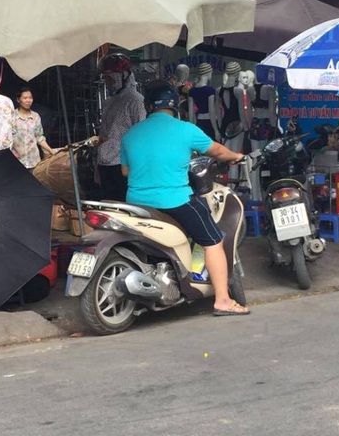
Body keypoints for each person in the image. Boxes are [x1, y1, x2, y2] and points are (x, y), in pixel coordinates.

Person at [120, 80, 250, 316]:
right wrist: (236, 155)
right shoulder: (186, 129)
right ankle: (222, 300)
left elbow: (125, 172)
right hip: (175, 200)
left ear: (149, 106)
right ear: (175, 105)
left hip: (137, 202)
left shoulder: (131, 134)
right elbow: (218, 151)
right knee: (213, 241)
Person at [97, 53, 146, 201]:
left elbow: (141, 133)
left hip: (122, 164)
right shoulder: (108, 102)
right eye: (105, 78)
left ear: (122, 75)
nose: (107, 82)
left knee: (124, 205)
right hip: (104, 161)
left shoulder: (135, 101)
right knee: (108, 204)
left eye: (109, 77)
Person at [11, 87, 55, 170]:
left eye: (30, 98)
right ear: (18, 100)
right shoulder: (11, 117)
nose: (28, 100)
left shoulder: (36, 116)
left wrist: (51, 151)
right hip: (16, 162)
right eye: (25, 98)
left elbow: (39, 137)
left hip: (34, 162)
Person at [188, 62, 219, 140]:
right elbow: (211, 112)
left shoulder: (192, 91)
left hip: (199, 122)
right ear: (208, 73)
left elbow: (191, 113)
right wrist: (216, 130)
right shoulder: (210, 90)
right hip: (209, 122)